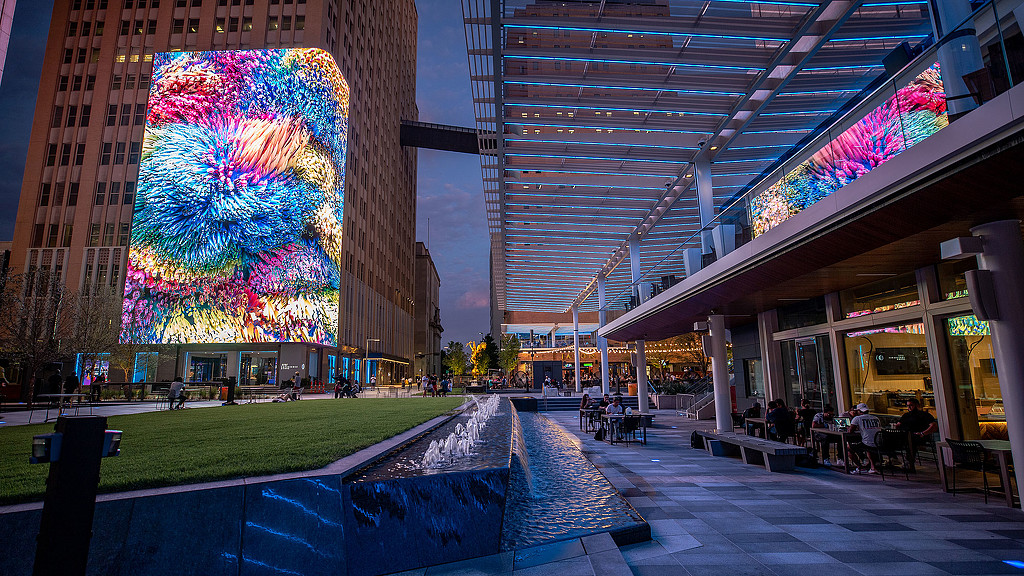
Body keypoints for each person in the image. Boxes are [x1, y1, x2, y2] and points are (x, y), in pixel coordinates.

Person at [896, 398, 938, 469]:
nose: (909, 407)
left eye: (911, 405)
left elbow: (934, 426)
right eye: (907, 405)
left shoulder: (924, 415)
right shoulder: (906, 415)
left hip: (919, 437)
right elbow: (898, 424)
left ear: (917, 405)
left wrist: (923, 433)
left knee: (910, 441)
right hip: (906, 436)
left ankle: (909, 461)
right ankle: (893, 457)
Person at [848, 403, 881, 474]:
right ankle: (872, 467)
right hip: (878, 444)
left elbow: (850, 431)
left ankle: (860, 467)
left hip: (867, 443)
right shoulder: (876, 418)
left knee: (848, 448)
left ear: (859, 411)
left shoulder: (857, 418)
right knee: (869, 447)